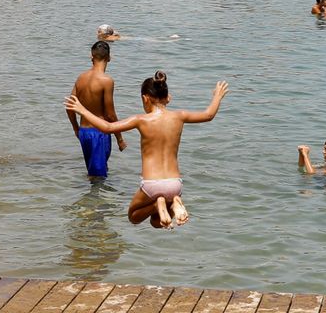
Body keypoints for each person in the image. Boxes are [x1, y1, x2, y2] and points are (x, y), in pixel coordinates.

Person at [65, 72, 229, 228]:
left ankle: (159, 203)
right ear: (168, 98)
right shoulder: (180, 116)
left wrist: (82, 110)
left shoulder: (141, 120)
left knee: (134, 216)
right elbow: (208, 115)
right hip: (175, 184)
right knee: (157, 223)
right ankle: (174, 204)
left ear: (145, 99)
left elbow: (108, 127)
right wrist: (217, 96)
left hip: (152, 184)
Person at [68, 41, 126, 179]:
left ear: (91, 56)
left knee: (93, 172)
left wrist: (76, 128)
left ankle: (92, 199)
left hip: (84, 132)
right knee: (98, 178)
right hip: (99, 133)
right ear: (109, 58)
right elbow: (110, 115)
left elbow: (70, 105)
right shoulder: (106, 81)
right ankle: (96, 200)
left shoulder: (81, 78)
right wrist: (120, 139)